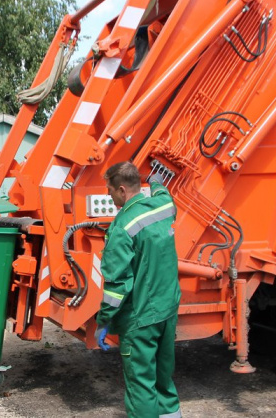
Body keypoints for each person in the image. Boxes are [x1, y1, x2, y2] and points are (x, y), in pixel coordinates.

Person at [95, 161, 182, 418]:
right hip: (168, 310)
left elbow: (117, 285)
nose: (108, 196)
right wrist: (156, 180)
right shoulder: (164, 207)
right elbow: (162, 192)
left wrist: (103, 322)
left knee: (141, 385)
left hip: (141, 318)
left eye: (109, 190)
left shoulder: (121, 227)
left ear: (122, 190)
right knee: (164, 379)